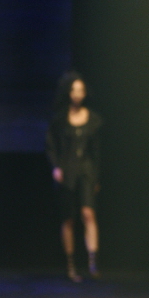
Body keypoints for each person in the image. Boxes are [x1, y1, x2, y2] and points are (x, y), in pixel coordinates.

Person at [46, 72, 102, 282]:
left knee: (88, 213)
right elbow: (51, 146)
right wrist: (56, 167)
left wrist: (97, 177)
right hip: (67, 170)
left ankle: (92, 261)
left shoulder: (94, 120)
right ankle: (70, 265)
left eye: (81, 90)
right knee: (68, 218)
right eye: (74, 90)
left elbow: (97, 152)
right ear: (68, 92)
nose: (78, 94)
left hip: (86, 170)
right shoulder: (60, 120)